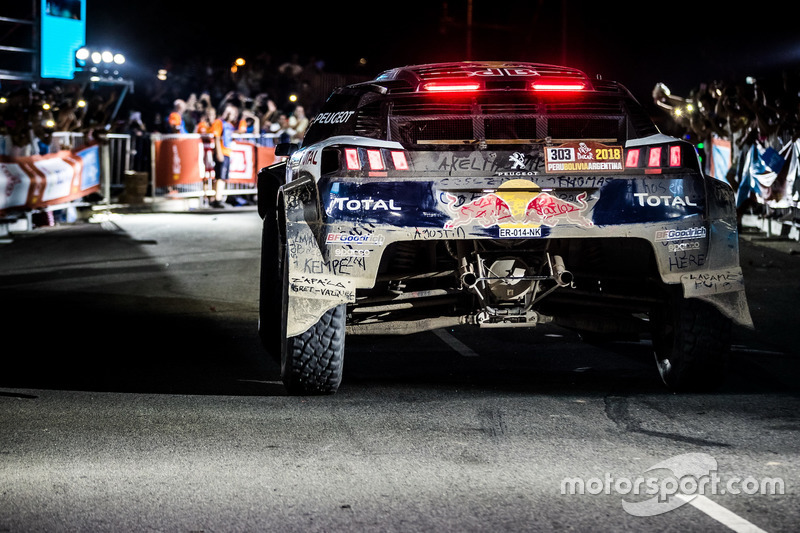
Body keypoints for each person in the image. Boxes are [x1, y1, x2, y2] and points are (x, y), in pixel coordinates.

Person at [209, 104, 236, 208]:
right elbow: (216, 137)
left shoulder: (229, 125)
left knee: (222, 177)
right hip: (221, 152)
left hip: (227, 152)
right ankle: (217, 199)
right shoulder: (219, 122)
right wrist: (219, 152)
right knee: (220, 177)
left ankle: (217, 198)